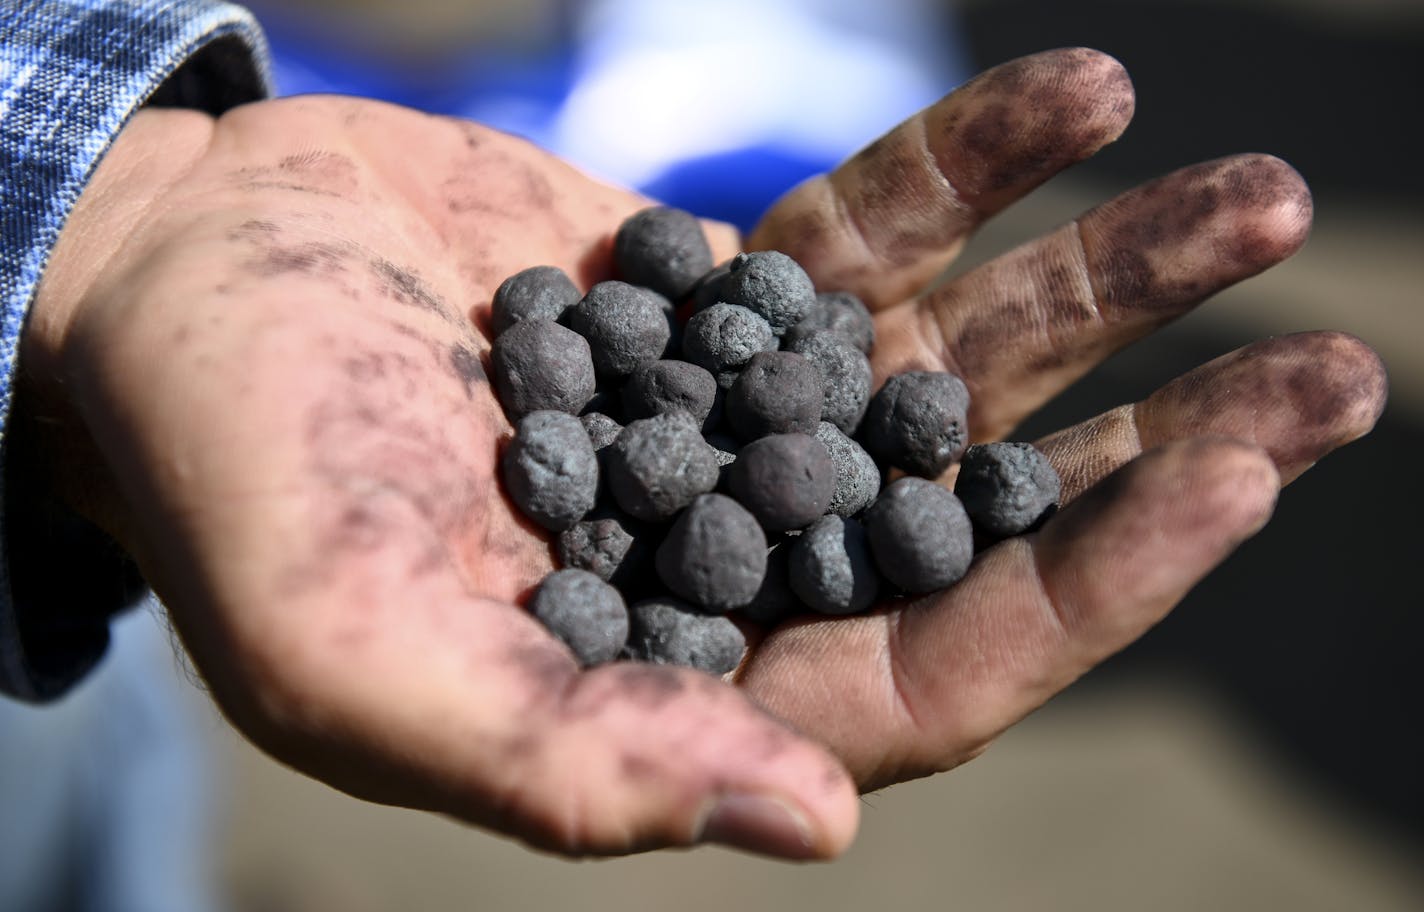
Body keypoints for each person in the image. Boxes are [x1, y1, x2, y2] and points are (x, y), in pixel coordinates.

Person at [0, 0, 1388, 861]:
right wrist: (121, 222)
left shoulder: (781, 424)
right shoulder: (651, 415)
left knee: (96, 803)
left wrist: (113, 203)